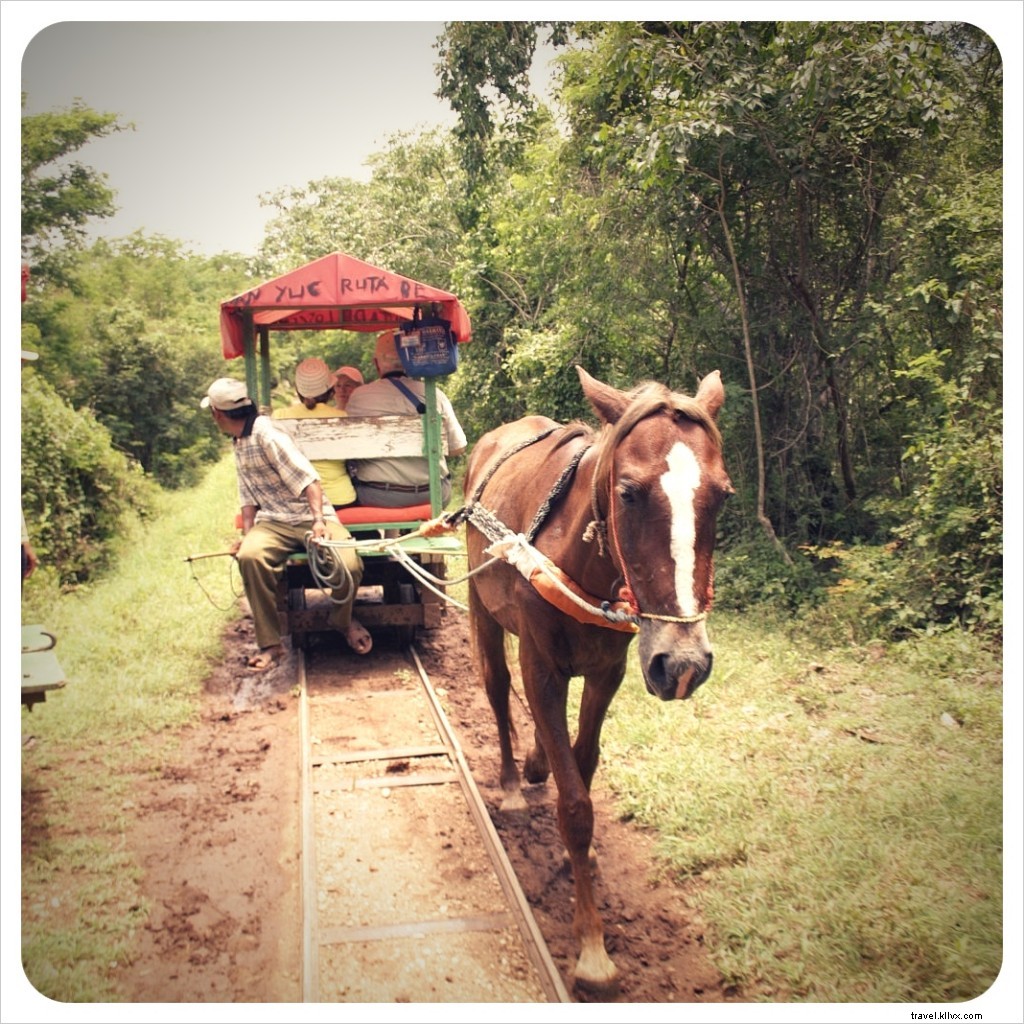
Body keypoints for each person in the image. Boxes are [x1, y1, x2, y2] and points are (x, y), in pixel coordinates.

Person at [202, 377, 372, 671]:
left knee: (350, 565)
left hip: (311, 516)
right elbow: (247, 496)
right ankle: (270, 644)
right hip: (273, 522)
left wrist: (319, 522)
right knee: (250, 557)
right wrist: (248, 534)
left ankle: (341, 621)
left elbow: (310, 479)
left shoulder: (268, 436)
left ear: (217, 413)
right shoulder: (239, 440)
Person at [344, 332, 467, 508]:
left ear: (376, 364)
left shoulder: (359, 397)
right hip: (433, 494)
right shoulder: (434, 396)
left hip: (377, 496)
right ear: (412, 362)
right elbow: (458, 448)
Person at [273, 357, 357, 510]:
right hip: (339, 499)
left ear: (298, 390)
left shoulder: (279, 416)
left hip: (296, 500)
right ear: (331, 390)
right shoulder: (342, 417)